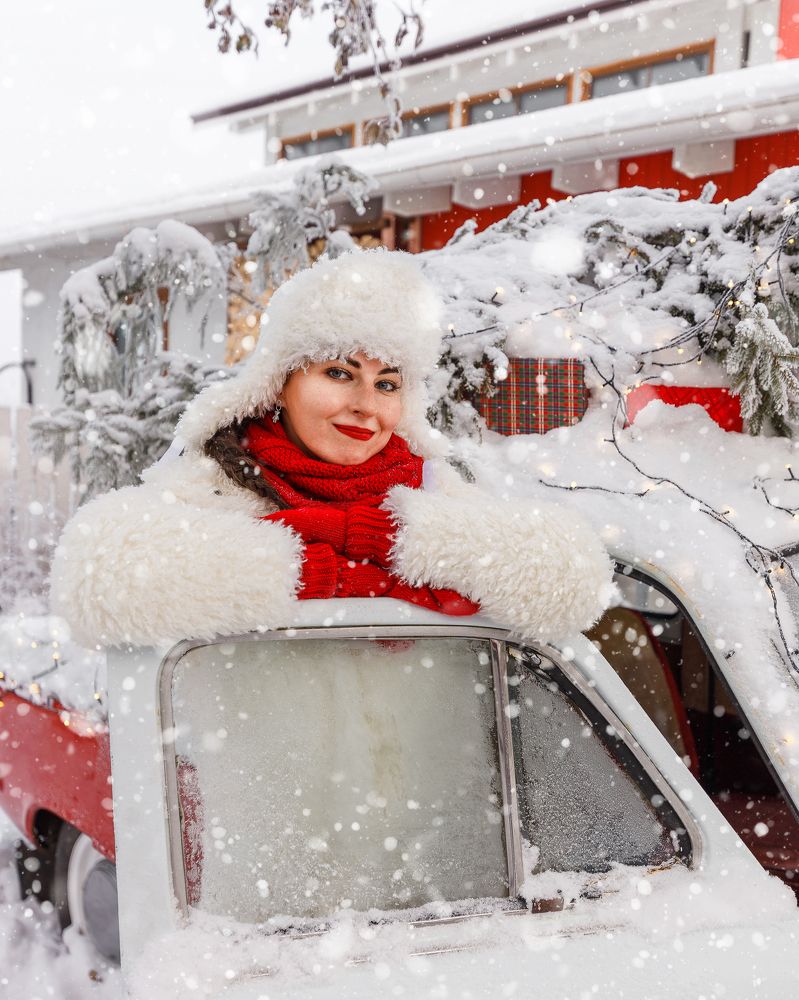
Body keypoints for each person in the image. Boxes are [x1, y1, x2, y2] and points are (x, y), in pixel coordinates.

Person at [51, 248, 615, 649]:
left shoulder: (430, 488)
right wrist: (320, 574)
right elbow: (97, 576)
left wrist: (384, 538)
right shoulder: (216, 481)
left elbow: (570, 582)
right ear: (281, 381)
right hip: (266, 788)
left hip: (426, 786)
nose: (367, 405)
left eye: (388, 383)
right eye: (340, 373)